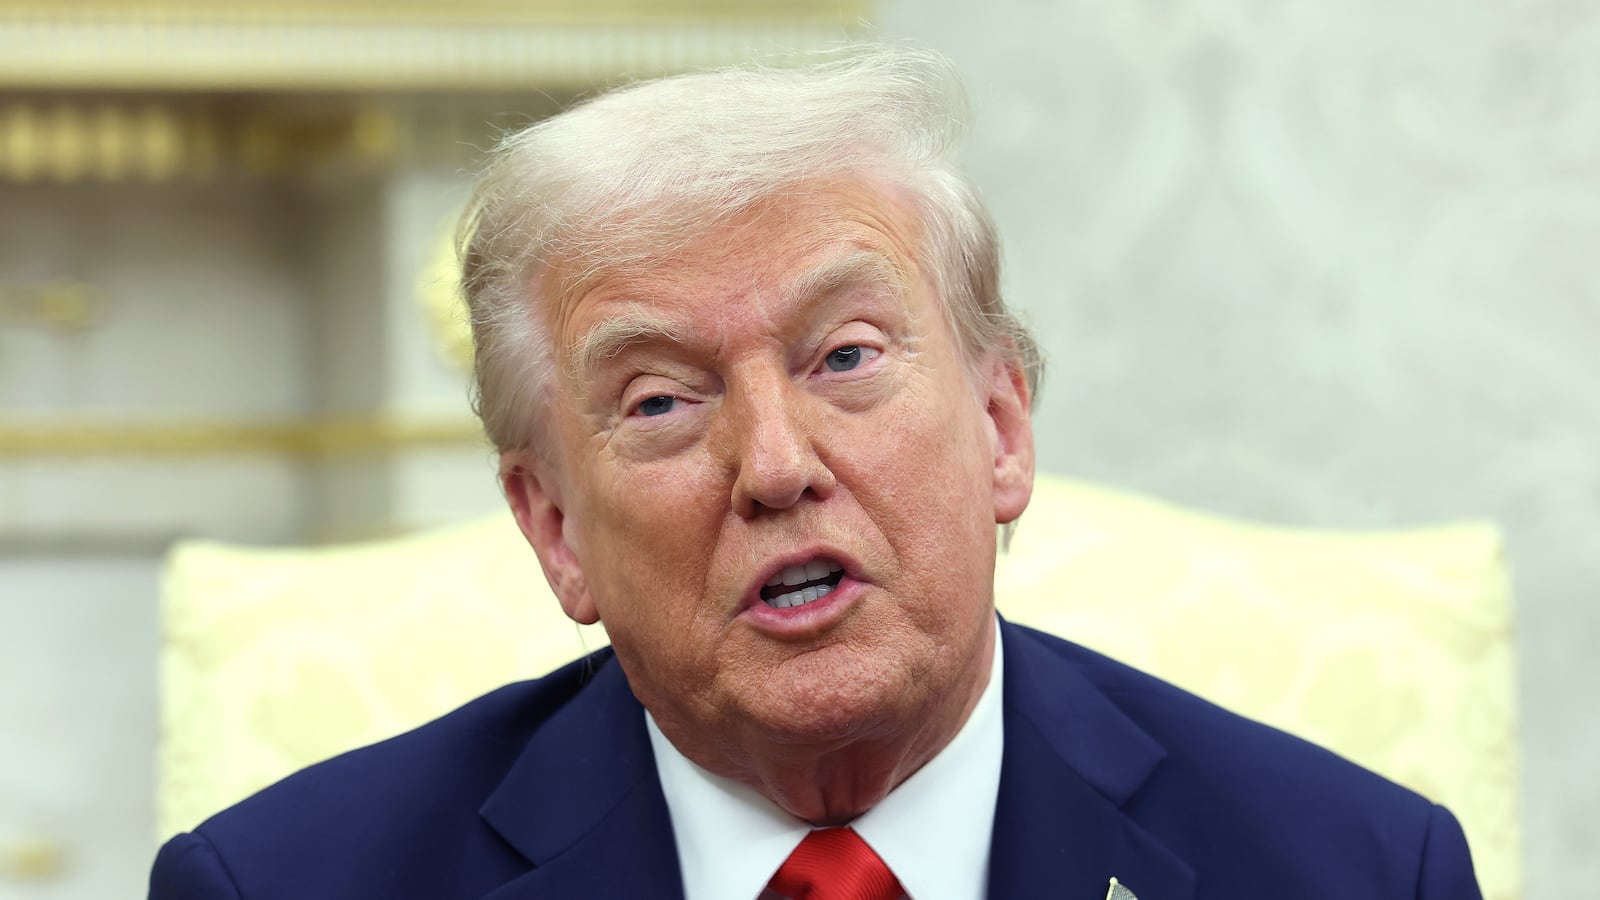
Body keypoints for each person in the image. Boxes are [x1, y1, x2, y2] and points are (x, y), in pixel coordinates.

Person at [149, 47, 1482, 900]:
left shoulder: (1349, 871)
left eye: (845, 356)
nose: (776, 467)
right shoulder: (284, 888)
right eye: (662, 399)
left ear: (1003, 426)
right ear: (555, 528)